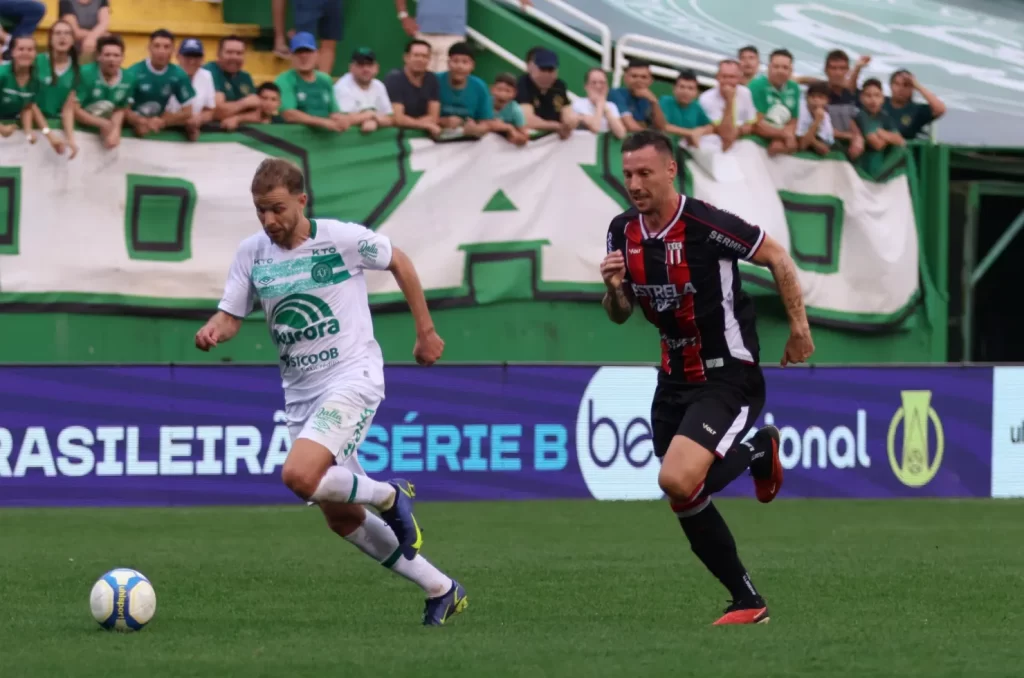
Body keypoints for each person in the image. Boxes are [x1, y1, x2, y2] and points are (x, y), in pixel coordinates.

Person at [194, 157, 467, 627]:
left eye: (277, 208)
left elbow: (399, 260)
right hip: (300, 394)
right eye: (260, 210)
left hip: (352, 376)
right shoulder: (252, 253)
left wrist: (425, 331)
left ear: (302, 200)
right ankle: (441, 588)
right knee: (339, 516)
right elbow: (232, 315)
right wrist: (214, 329)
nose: (269, 220)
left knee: (298, 476)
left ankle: (388, 495)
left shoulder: (339, 239)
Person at [600, 130, 814, 626]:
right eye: (628, 173)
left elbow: (776, 256)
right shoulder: (621, 231)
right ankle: (748, 601)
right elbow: (619, 312)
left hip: (727, 374)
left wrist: (800, 328)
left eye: (644, 173)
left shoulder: (705, 224)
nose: (634, 183)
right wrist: (612, 289)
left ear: (671, 170)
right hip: (673, 376)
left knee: (676, 477)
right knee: (684, 492)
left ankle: (758, 449)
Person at [125, 29, 196, 138]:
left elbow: (188, 112)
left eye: (166, 47)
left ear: (173, 50)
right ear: (149, 48)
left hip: (157, 124)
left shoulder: (179, 75)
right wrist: (139, 121)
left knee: (193, 124)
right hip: (130, 127)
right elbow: (123, 108)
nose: (161, 51)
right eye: (157, 46)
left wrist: (163, 121)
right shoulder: (133, 73)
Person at [274, 32, 348, 132]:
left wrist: (339, 119)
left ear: (317, 54)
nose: (304, 56)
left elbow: (333, 111)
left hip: (325, 139)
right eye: (299, 52)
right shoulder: (284, 80)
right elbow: (289, 114)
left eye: (308, 51)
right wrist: (323, 122)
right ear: (291, 56)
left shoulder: (325, 80)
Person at [74, 33, 132, 148]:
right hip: (78, 130)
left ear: (122, 57)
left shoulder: (129, 78)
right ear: (98, 56)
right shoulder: (84, 74)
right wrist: (101, 123)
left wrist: (115, 129)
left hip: (103, 131)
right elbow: (74, 109)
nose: (112, 59)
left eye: (116, 55)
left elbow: (120, 108)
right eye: (107, 55)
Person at [35, 19, 80, 158]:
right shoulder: (36, 62)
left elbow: (68, 109)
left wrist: (71, 139)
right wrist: (49, 134)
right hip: (33, 125)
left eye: (67, 33)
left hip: (55, 126)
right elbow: (30, 104)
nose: (62, 37)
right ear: (50, 39)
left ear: (73, 40)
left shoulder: (77, 70)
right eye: (58, 33)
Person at [205, 35, 262, 131]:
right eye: (229, 52)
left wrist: (237, 119)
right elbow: (217, 112)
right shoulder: (209, 72)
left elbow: (257, 114)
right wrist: (244, 103)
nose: (234, 57)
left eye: (239, 53)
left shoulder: (245, 77)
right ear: (218, 54)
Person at [333, 47, 393, 134]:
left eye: (369, 65)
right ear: (351, 67)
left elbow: (390, 118)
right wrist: (371, 114)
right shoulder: (342, 87)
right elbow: (343, 120)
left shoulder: (379, 85)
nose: (366, 69)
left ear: (376, 67)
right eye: (361, 65)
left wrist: (374, 121)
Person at [167, 38, 216, 142]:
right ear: (178, 57)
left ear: (203, 59)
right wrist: (186, 121)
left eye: (197, 56)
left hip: (193, 132)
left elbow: (210, 110)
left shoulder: (206, 76)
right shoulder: (167, 75)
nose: (192, 61)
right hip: (166, 132)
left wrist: (199, 119)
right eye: (187, 56)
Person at [884, 69, 945, 140]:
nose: (900, 89)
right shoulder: (880, 102)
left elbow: (940, 109)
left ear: (912, 88)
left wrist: (917, 86)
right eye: (897, 84)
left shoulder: (917, 110)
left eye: (906, 85)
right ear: (890, 86)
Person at [571, 67, 625, 138]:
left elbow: (621, 134)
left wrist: (607, 110)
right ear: (586, 87)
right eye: (594, 83)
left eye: (602, 83)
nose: (598, 86)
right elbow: (595, 128)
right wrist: (599, 105)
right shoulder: (578, 104)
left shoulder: (611, 106)